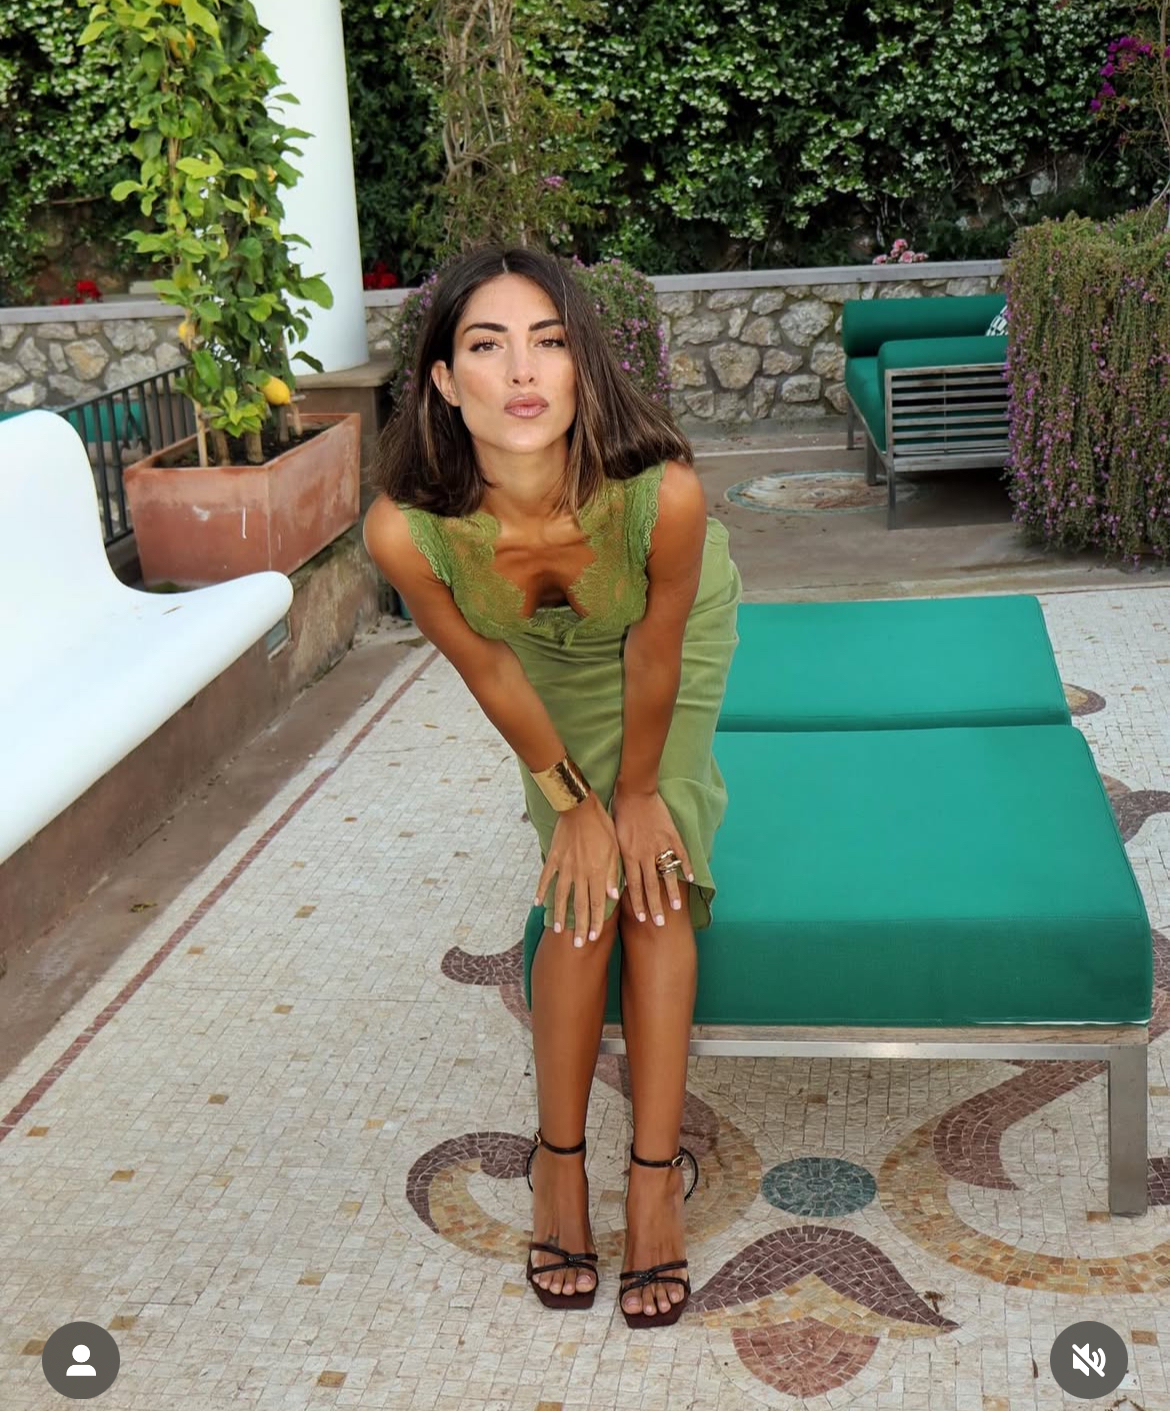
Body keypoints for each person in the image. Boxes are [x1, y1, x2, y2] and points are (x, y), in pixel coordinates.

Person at [363, 245, 741, 1328]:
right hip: (539, 675)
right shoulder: (407, 528)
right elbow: (489, 670)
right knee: (580, 896)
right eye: (488, 345)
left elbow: (658, 651)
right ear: (445, 381)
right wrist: (573, 804)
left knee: (652, 883)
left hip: (667, 645)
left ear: (583, 366)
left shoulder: (663, 497)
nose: (523, 371)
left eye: (550, 341)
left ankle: (654, 1182)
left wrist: (635, 794)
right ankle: (558, 1167)